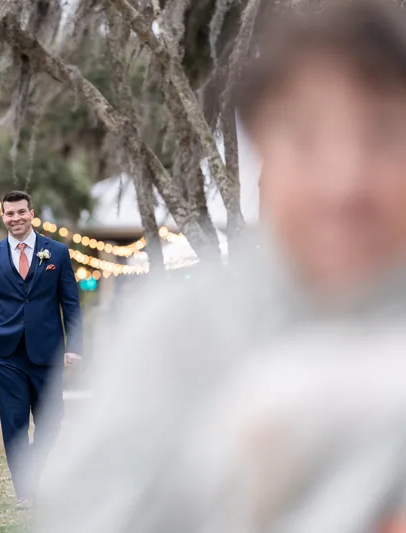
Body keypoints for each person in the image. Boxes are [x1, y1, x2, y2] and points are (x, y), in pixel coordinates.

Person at [30, 1, 406, 532]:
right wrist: (231, 464)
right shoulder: (177, 328)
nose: (344, 180)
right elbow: (82, 513)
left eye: (383, 136)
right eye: (306, 138)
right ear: (263, 153)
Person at [0, 190, 83, 508]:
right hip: (4, 352)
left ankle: (32, 469)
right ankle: (25, 491)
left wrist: (74, 344)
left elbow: (70, 303)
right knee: (14, 420)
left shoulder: (57, 253)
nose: (15, 218)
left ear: (31, 214)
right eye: (9, 213)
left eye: (21, 212)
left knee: (52, 418)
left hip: (47, 350)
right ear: (3, 217)